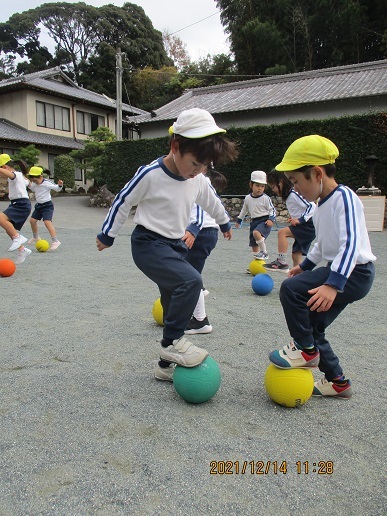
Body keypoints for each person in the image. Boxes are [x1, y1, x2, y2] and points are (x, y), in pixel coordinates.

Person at [96, 108, 238, 382]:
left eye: (205, 166)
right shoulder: (151, 174)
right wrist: (107, 234)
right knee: (192, 281)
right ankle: (173, 343)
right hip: (148, 243)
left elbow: (211, 201)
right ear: (175, 147)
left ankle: (164, 364)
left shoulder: (197, 179)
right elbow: (123, 200)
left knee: (174, 302)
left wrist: (224, 222)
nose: (199, 171)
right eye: (196, 164)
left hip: (175, 247)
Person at [269, 135, 376, 398]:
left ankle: (305, 350)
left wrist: (332, 284)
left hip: (354, 273)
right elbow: (321, 243)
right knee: (313, 324)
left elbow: (350, 243)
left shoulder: (345, 197)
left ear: (317, 173)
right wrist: (305, 266)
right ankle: (338, 382)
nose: (295, 188)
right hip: (343, 273)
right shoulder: (320, 206)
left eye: (296, 181)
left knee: (291, 290)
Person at [184, 166, 228, 335]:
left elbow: (201, 210)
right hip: (205, 232)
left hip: (201, 232)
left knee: (190, 275)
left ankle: (201, 320)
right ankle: (198, 295)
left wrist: (194, 229)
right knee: (188, 271)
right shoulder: (198, 181)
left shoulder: (198, 181)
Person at [264, 169, 316, 273]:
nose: (273, 190)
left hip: (308, 226)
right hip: (305, 225)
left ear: (281, 183)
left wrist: (300, 220)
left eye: (273, 187)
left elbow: (312, 206)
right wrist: (295, 218)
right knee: (296, 255)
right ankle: (299, 280)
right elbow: (301, 210)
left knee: (282, 232)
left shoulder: (293, 194)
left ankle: (281, 261)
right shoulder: (289, 196)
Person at [235, 170, 276, 260]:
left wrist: (271, 219)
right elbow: (244, 210)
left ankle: (264, 252)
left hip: (264, 221)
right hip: (254, 221)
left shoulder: (266, 198)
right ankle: (256, 264)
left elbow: (272, 209)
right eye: (257, 185)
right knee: (254, 244)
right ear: (251, 185)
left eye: (262, 186)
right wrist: (239, 219)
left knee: (256, 233)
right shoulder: (248, 198)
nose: (260, 188)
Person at [0, 154, 32, 264]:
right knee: (9, 228)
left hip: (21, 204)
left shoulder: (15, 175)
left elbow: (10, 174)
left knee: (1, 219)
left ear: (4, 167)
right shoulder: (20, 176)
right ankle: (22, 250)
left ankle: (18, 238)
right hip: (18, 204)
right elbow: (29, 182)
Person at [27, 166, 63, 251]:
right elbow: (30, 187)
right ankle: (35, 237)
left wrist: (60, 185)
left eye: (36, 180)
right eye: (33, 181)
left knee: (47, 222)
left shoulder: (47, 183)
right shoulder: (34, 184)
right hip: (39, 205)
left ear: (41, 177)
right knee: (32, 221)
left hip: (47, 206)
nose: (35, 182)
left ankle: (55, 241)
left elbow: (57, 189)